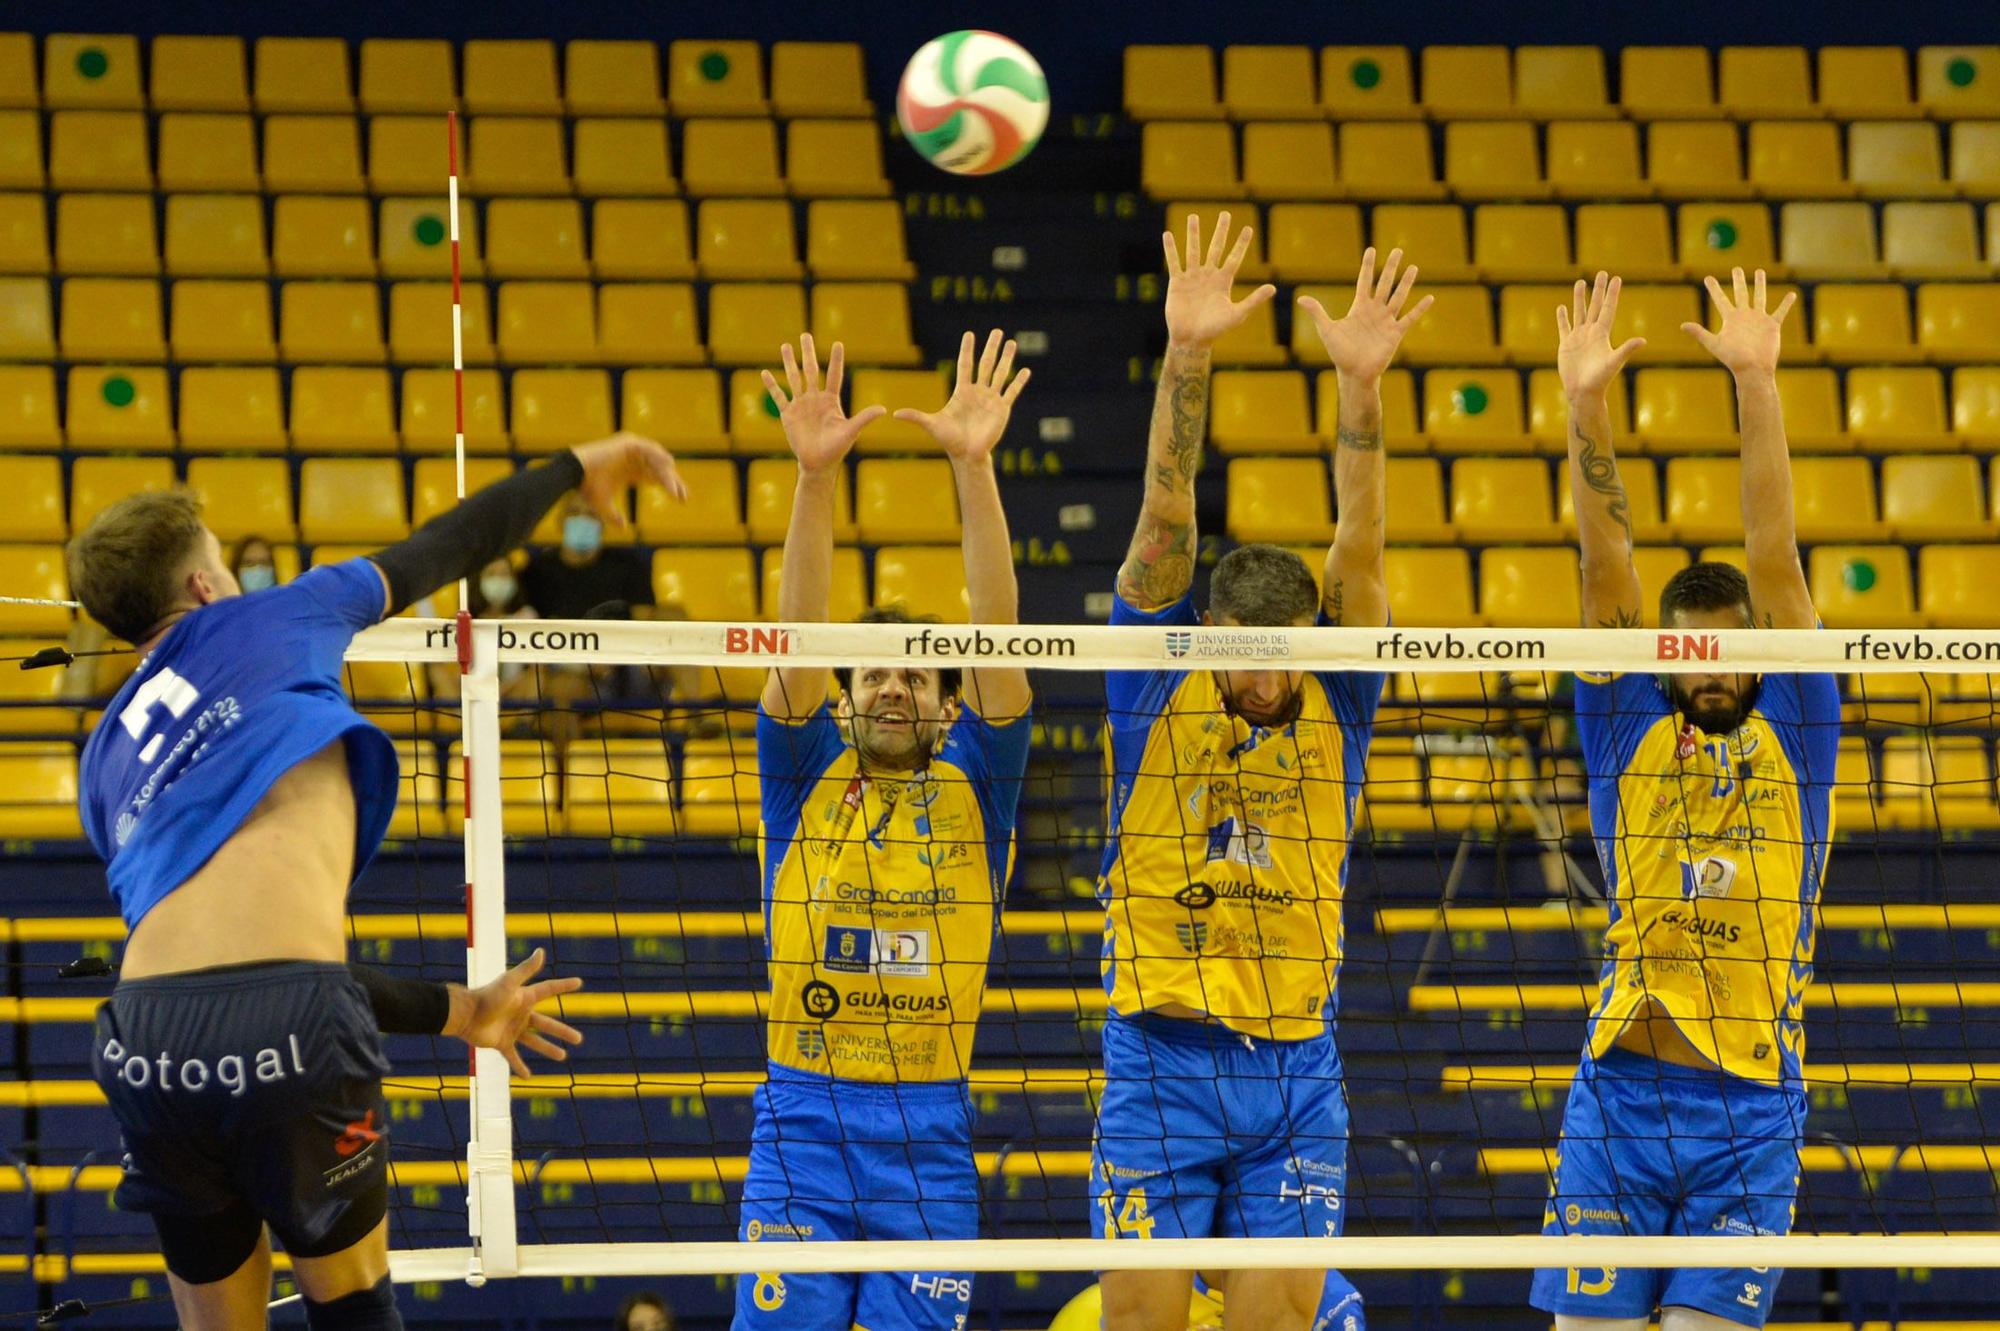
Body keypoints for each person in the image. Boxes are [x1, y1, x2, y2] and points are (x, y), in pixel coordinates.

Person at [67, 432, 686, 1331]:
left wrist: (462, 1010)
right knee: (355, 1309)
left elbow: (229, 967)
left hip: (143, 1037)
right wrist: (570, 470)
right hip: (289, 1019)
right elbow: (450, 544)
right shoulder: (278, 614)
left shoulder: (103, 758)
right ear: (205, 585)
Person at [1090, 212, 1431, 1331]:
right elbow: (1164, 510)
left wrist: (1361, 390)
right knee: (1137, 1320)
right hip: (1157, 1052)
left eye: (1277, 657)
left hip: (1294, 1063)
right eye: (1240, 650)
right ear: (1207, 630)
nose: (1261, 675)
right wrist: (1187, 352)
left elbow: (1362, 546)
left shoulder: (1337, 691)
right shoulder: (1157, 678)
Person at [1528, 270, 1839, 1331]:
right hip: (1617, 1098)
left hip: (1750, 1108)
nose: (1713, 671)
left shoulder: (1797, 731)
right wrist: (1583, 404)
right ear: (1665, 660)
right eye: (1690, 653)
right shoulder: (1626, 731)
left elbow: (1774, 555)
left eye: (1729, 649)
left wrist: (1754, 380)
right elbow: (1603, 564)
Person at [735, 331, 1034, 1331]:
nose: (896, 685)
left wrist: (973, 465)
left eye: (916, 673)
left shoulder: (978, 785)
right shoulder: (801, 771)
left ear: (946, 708)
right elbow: (798, 631)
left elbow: (995, 635)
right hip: (801, 1123)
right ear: (846, 695)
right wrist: (814, 481)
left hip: (927, 1130)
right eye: (875, 672)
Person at [519, 491, 654, 621]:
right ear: (561, 520)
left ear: (602, 523)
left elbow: (643, 618)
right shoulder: (537, 570)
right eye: (574, 512)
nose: (582, 519)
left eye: (592, 514)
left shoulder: (628, 566)